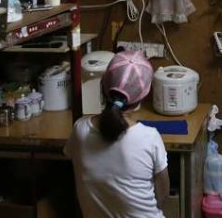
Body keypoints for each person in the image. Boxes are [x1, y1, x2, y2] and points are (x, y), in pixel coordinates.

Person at [64, 50, 169, 217]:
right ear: (143, 95)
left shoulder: (80, 130)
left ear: (103, 86)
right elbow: (162, 195)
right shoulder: (149, 137)